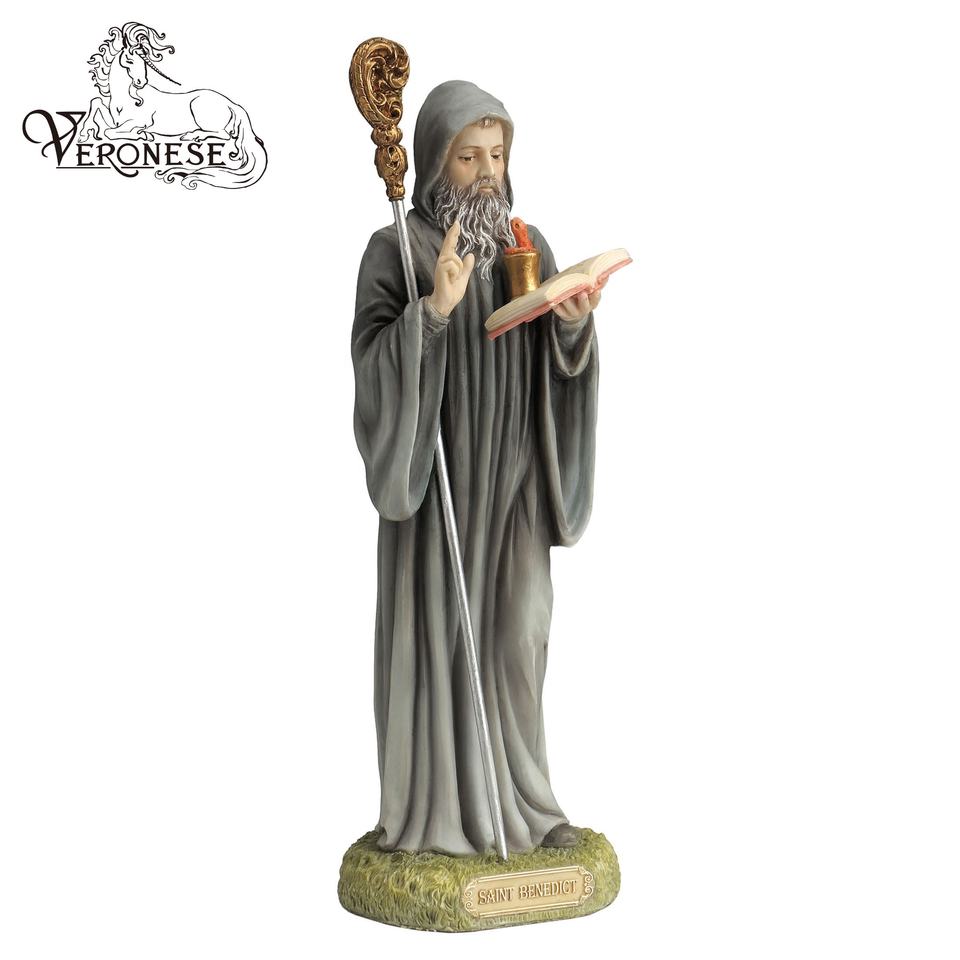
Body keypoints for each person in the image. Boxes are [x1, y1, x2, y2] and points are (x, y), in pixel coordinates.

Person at [352, 80, 601, 855]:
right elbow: (372, 366)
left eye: (497, 154)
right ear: (436, 162)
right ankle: (444, 820)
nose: (488, 172)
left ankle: (530, 806)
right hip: (442, 490)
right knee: (445, 646)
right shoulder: (397, 251)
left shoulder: (529, 245)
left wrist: (571, 330)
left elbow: (555, 362)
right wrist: (433, 311)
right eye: (469, 157)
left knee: (523, 631)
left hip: (516, 476)